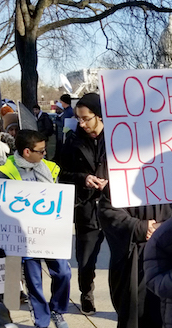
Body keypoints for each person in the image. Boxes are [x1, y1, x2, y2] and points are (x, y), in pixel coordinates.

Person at [0, 129, 71, 328]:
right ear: (27, 152)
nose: (44, 154)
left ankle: (57, 309)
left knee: (63, 273)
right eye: (41, 151)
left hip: (51, 234)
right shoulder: (5, 171)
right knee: (34, 281)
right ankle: (42, 322)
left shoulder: (50, 167)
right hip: (24, 237)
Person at [59, 93, 106, 316]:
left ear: (98, 116)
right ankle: (86, 293)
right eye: (78, 118)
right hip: (86, 207)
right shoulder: (72, 140)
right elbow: (61, 172)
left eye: (86, 118)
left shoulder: (118, 137)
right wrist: (83, 178)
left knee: (124, 257)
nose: (81, 123)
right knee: (86, 258)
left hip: (116, 207)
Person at [99, 188, 172, 328]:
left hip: (168, 259)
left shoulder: (171, 177)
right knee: (135, 314)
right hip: (133, 262)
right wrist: (140, 227)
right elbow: (107, 211)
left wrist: (166, 228)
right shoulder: (120, 180)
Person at [53, 94, 73, 162]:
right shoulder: (67, 111)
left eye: (61, 101)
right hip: (61, 135)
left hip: (64, 136)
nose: (60, 103)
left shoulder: (68, 112)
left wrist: (57, 121)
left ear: (64, 102)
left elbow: (65, 124)